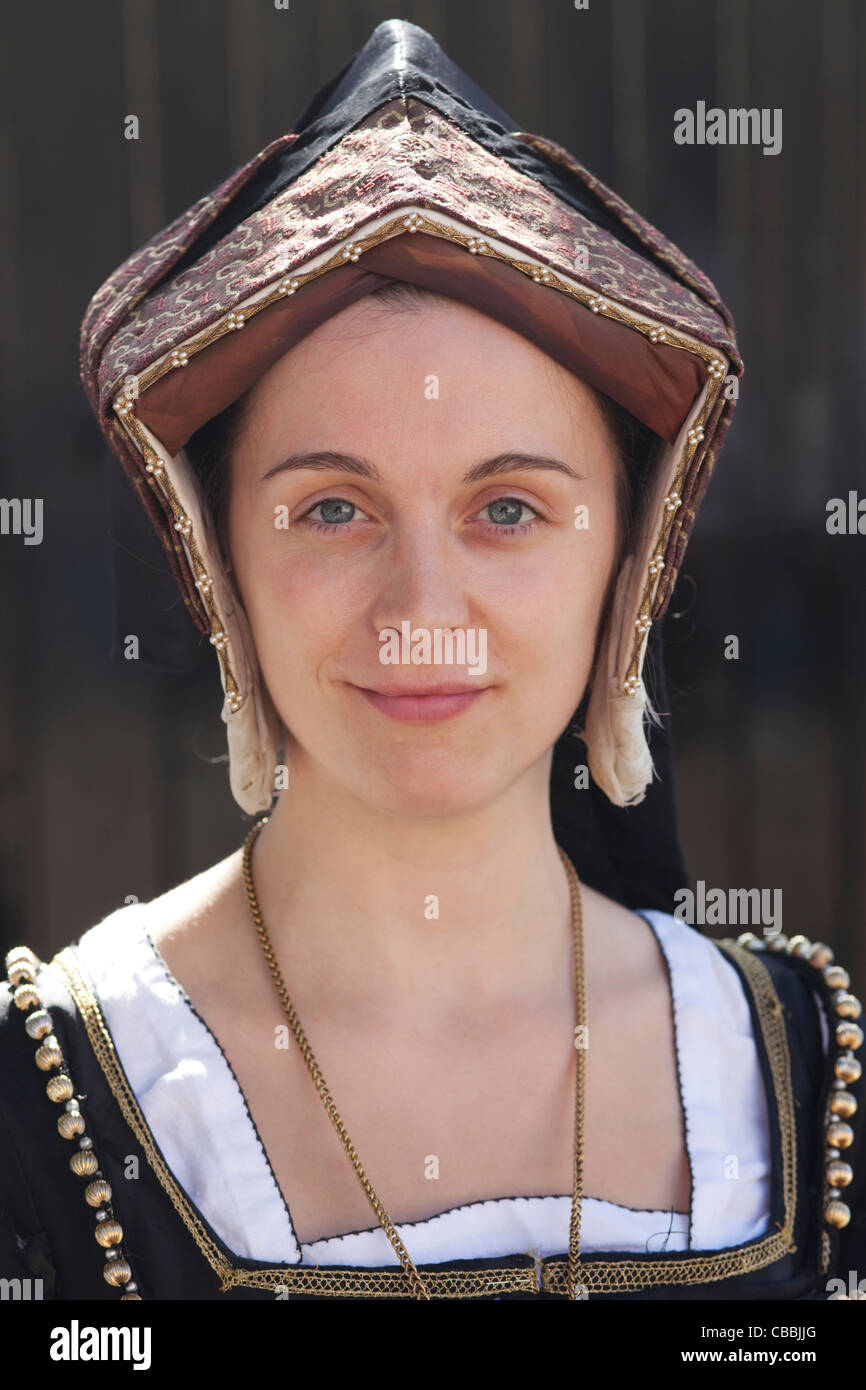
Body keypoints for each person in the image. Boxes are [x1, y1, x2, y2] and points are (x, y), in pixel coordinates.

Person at [1, 19, 862, 1302]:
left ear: (624, 567)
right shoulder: (48, 1100)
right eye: (332, 509)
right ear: (217, 560)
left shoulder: (798, 1070)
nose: (419, 606)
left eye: (506, 508)